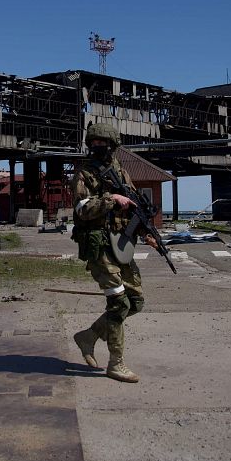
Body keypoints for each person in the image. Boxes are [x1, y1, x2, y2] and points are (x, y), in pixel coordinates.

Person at [70, 122, 157, 383]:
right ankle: (116, 364)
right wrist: (111, 200)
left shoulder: (120, 171)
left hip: (121, 243)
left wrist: (146, 233)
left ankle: (89, 336)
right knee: (118, 303)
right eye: (93, 143)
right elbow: (81, 209)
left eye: (102, 143)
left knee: (136, 302)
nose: (97, 147)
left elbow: (132, 208)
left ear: (113, 146)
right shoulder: (84, 173)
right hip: (99, 246)